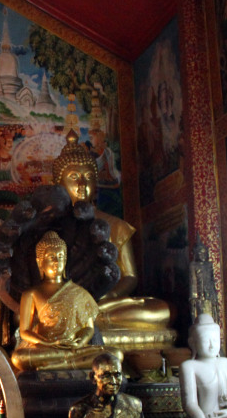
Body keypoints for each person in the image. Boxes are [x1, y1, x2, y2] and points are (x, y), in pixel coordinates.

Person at [51, 131, 172, 343]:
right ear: (58, 183)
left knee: (161, 311)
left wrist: (108, 296)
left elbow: (130, 277)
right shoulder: (52, 228)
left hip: (105, 304)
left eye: (88, 177)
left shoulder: (115, 225)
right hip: (63, 307)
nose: (82, 185)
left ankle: (85, 325)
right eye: (73, 177)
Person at [12, 231, 115, 371]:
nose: (56, 262)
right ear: (40, 262)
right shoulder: (31, 293)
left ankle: (54, 366)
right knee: (18, 358)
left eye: (60, 257)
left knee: (114, 354)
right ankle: (67, 363)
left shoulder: (78, 292)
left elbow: (88, 327)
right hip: (47, 349)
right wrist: (49, 343)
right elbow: (24, 331)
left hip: (74, 349)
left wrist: (80, 342)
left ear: (65, 260)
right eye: (51, 257)